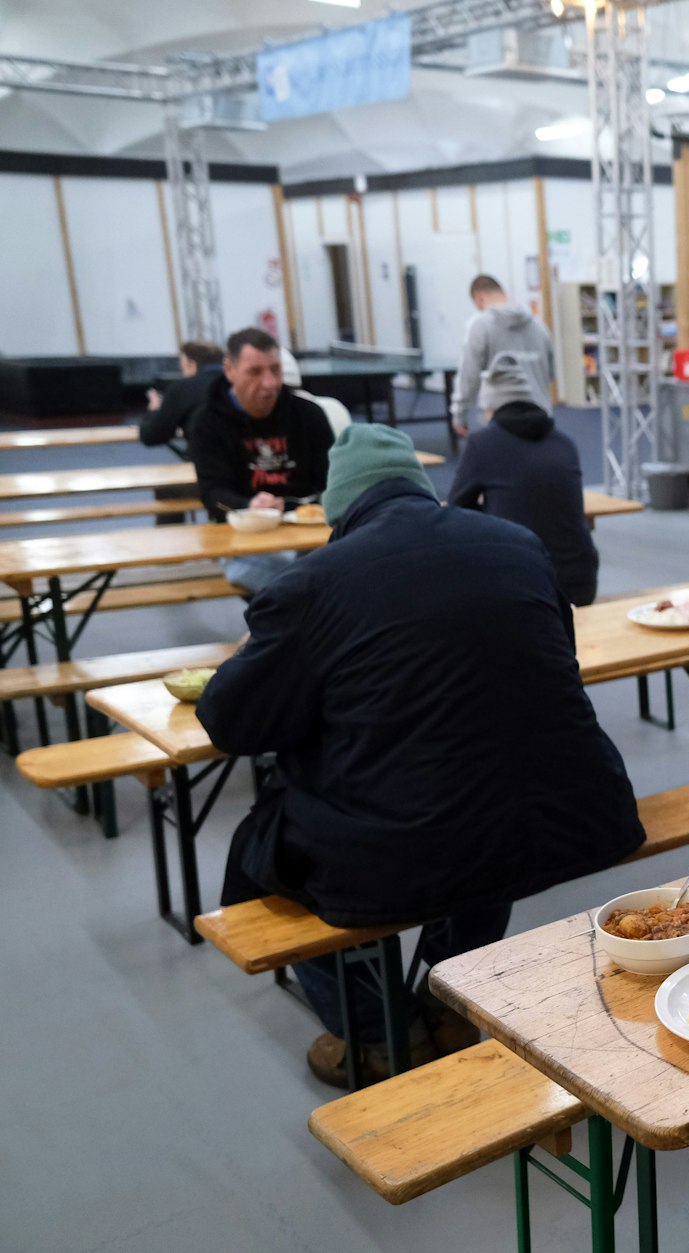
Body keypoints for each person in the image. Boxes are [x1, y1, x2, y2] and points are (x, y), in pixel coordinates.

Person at [198, 424, 643, 1088]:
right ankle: (449, 1000)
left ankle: (379, 1033)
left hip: (415, 846)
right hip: (574, 811)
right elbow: (556, 663)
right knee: (480, 793)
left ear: (338, 505)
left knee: (265, 854)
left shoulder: (314, 584)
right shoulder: (517, 544)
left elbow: (229, 721)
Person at [191, 327, 335, 595]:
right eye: (255, 372)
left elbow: (332, 480)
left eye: (275, 370)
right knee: (310, 583)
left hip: (309, 534)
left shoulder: (308, 415)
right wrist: (249, 505)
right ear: (230, 370)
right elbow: (213, 495)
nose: (269, 382)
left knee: (319, 570)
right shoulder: (207, 423)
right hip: (245, 538)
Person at [447, 353, 599, 606]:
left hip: (521, 581)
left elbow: (457, 509)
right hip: (580, 579)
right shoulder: (564, 442)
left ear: (490, 407)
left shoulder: (482, 444)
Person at [452, 274, 554, 439]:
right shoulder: (540, 327)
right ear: (503, 293)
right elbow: (550, 373)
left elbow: (469, 376)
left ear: (478, 298)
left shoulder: (479, 325)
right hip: (542, 421)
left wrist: (459, 414)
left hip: (501, 423)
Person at [139, 340, 223, 447]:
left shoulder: (182, 388)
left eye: (183, 368)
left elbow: (151, 436)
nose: (183, 374)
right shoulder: (236, 383)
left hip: (206, 459)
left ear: (192, 365)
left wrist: (153, 409)